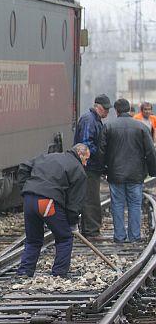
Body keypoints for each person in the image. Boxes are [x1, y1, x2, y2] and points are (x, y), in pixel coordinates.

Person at [16, 144, 89, 278]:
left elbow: (24, 167)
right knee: (64, 237)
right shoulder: (78, 169)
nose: (85, 164)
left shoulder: (47, 157)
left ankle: (24, 272)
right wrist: (72, 222)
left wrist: (25, 187)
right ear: (80, 155)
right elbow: (75, 202)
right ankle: (59, 273)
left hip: (29, 199)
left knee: (33, 240)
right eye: (86, 160)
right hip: (46, 203)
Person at [99, 98, 156, 243]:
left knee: (117, 205)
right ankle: (134, 237)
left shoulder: (108, 126)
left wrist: (103, 169)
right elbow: (150, 152)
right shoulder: (141, 127)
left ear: (116, 110)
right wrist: (152, 170)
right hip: (136, 174)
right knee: (135, 205)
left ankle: (119, 236)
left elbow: (101, 151)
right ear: (129, 109)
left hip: (115, 173)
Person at [73, 93, 111, 239]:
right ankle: (91, 231)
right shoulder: (90, 120)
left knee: (90, 197)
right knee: (91, 198)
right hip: (88, 167)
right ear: (97, 107)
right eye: (105, 108)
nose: (107, 111)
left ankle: (89, 228)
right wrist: (101, 153)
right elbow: (86, 144)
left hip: (90, 166)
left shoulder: (94, 120)